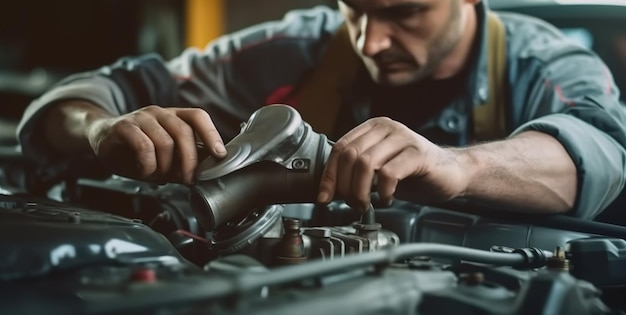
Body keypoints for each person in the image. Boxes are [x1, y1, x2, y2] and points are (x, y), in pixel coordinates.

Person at [16, 0, 626, 219]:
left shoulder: (542, 61)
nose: (370, 41)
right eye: (356, 9)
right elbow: (102, 90)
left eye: (405, 11)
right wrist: (100, 126)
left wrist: (460, 168)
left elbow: (600, 150)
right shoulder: (297, 47)